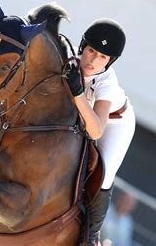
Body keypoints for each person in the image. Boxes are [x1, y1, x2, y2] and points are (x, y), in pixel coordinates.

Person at [64, 18, 136, 245]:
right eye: (92, 51)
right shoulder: (68, 60)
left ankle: (90, 237)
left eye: (103, 57)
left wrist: (77, 93)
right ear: (82, 46)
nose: (93, 61)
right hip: (84, 116)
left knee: (103, 175)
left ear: (110, 61)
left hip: (115, 124)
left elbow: (95, 130)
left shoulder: (107, 83)